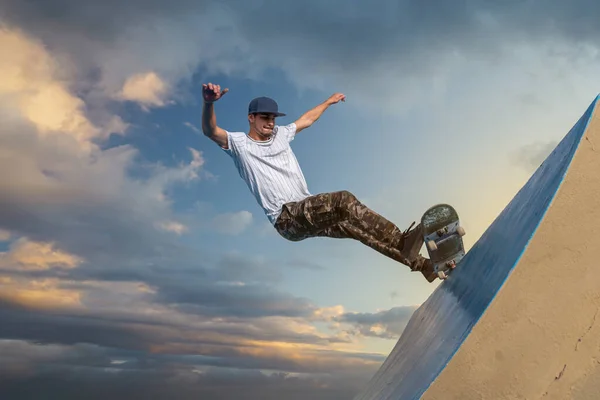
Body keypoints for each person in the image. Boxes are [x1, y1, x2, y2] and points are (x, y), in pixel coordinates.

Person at [200, 82, 436, 282]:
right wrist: (209, 103)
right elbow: (211, 131)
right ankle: (403, 241)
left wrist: (329, 101)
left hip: (308, 209)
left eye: (273, 118)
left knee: (355, 228)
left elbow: (307, 120)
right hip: (286, 218)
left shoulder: (281, 134)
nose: (270, 123)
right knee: (343, 200)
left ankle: (423, 266)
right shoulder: (239, 144)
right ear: (251, 118)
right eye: (265, 118)